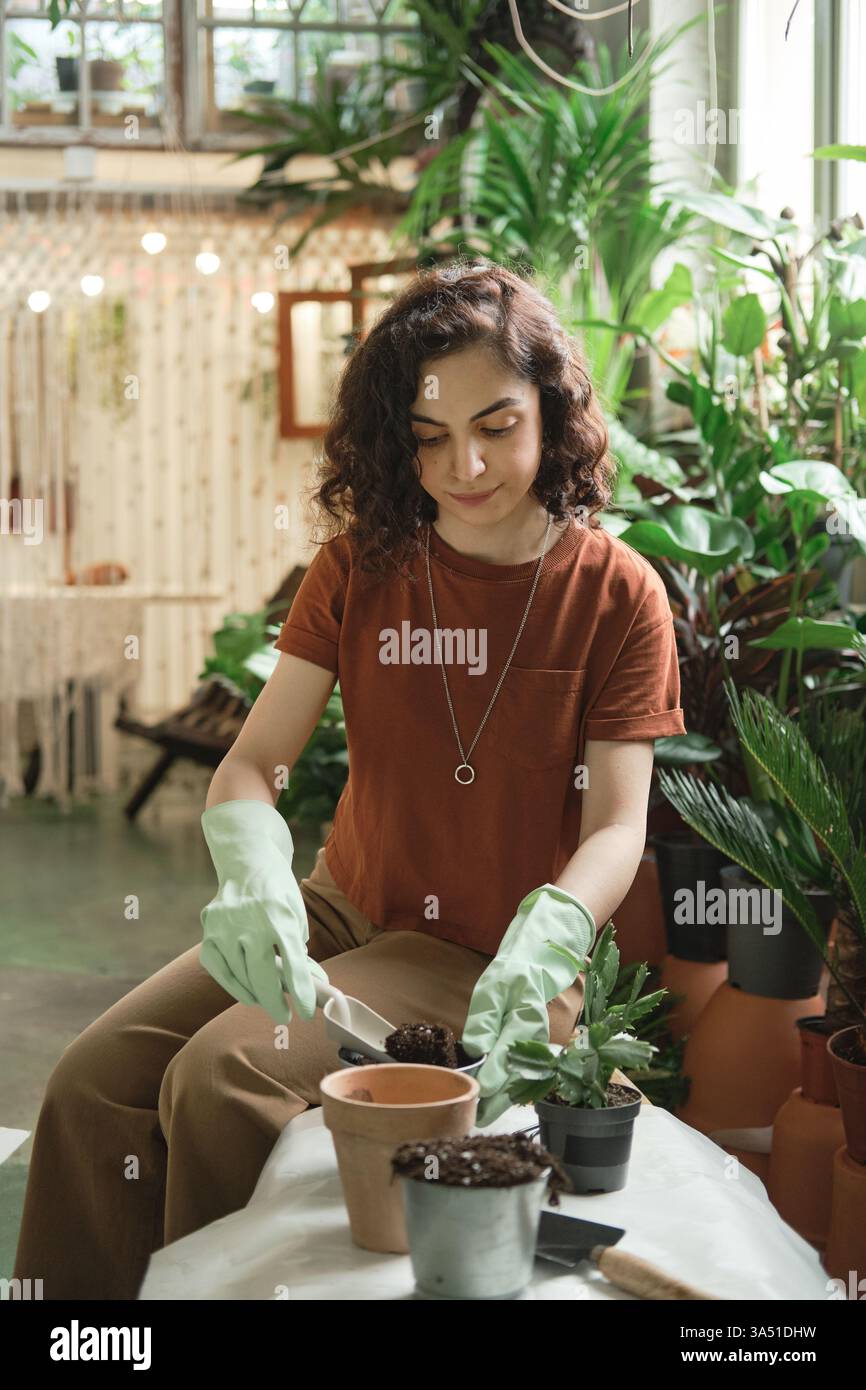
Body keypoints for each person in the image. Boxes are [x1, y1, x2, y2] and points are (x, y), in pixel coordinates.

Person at [13, 259, 685, 1300]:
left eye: (496, 425)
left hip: (489, 958)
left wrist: (551, 931)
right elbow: (251, 763)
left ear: (551, 414)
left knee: (221, 1075)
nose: (463, 464)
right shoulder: (361, 567)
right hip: (334, 914)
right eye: (426, 437)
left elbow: (615, 826)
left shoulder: (614, 595)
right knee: (94, 1082)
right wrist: (254, 876)